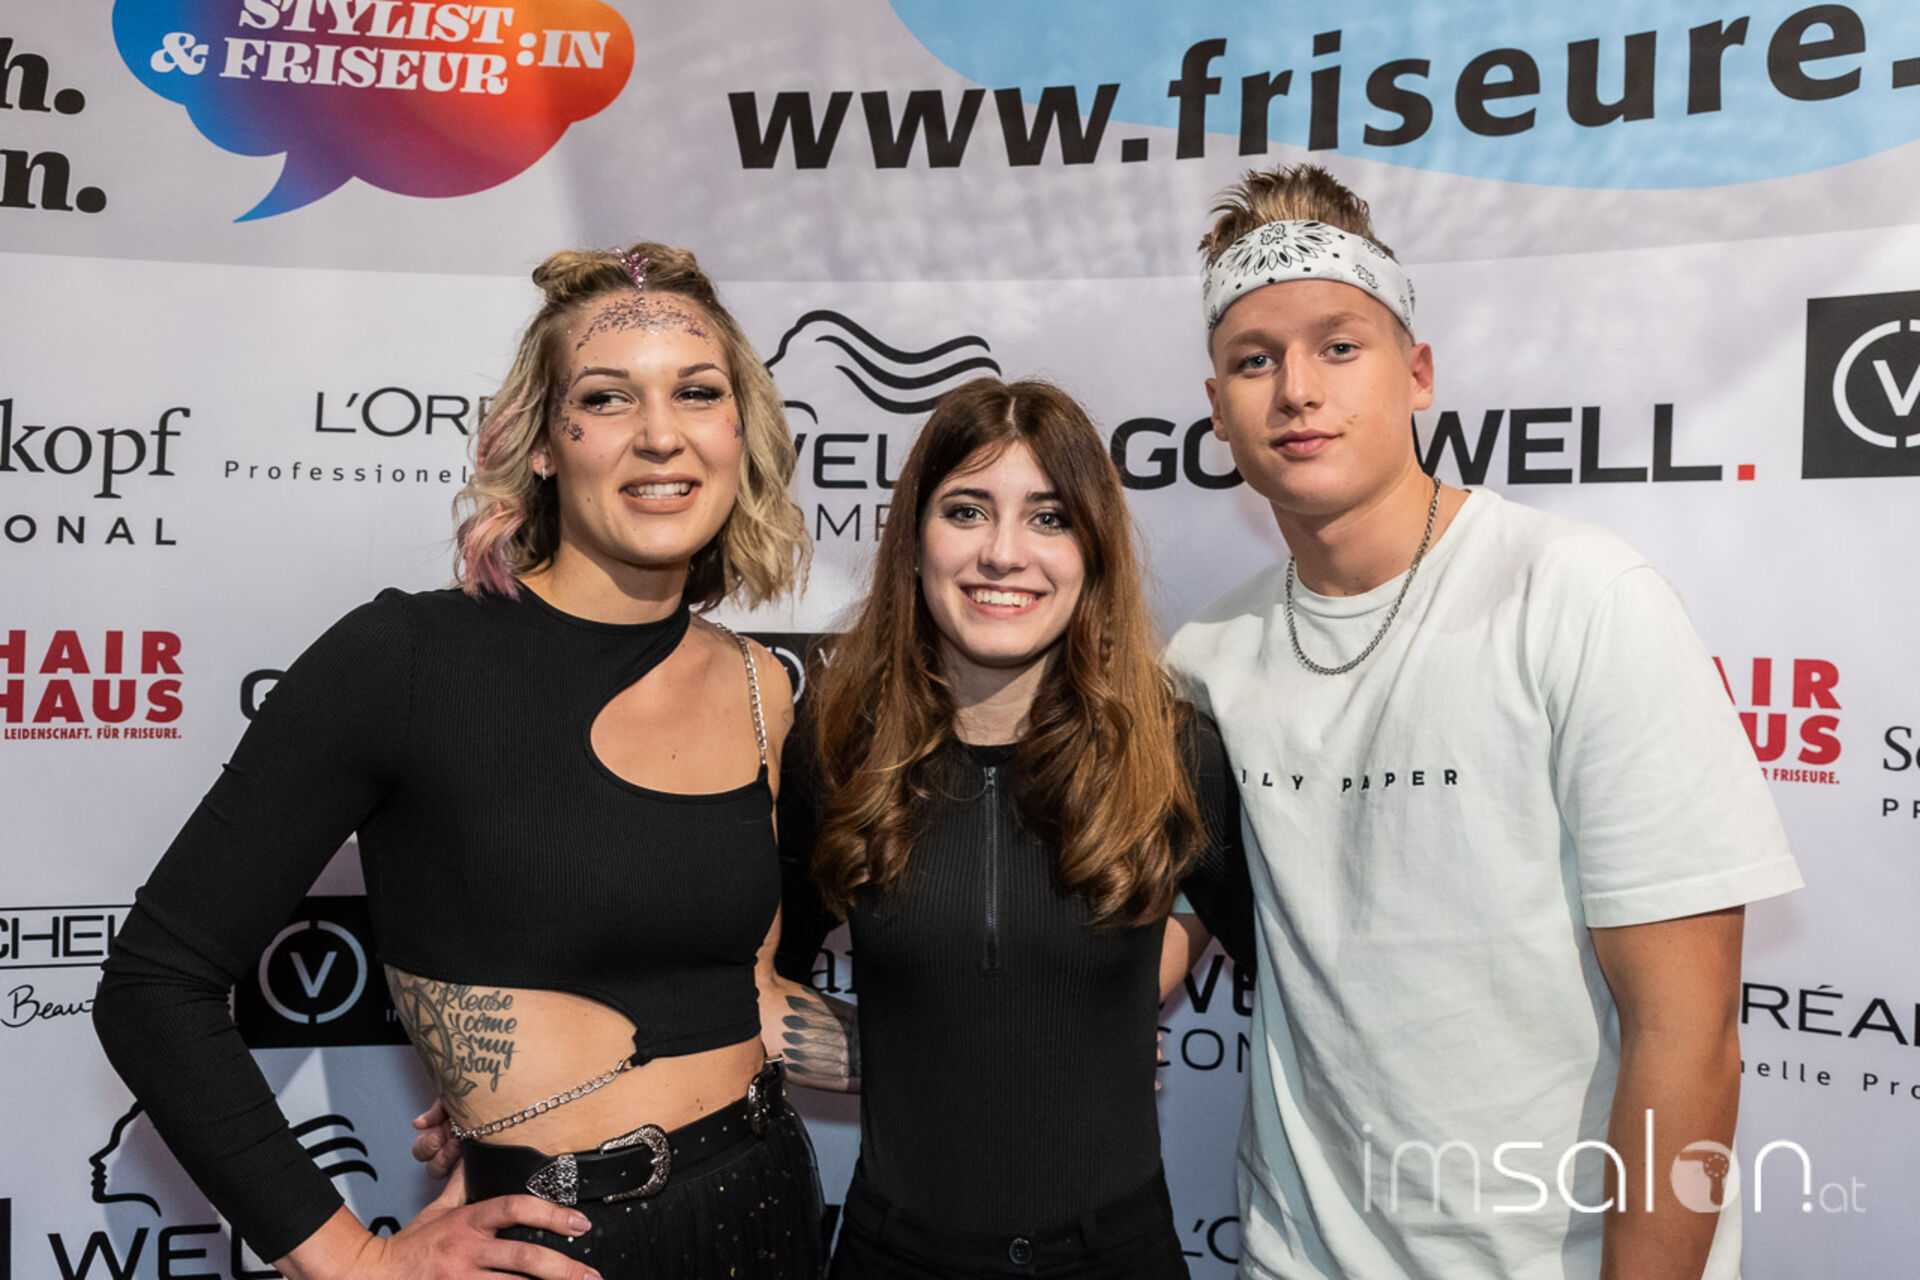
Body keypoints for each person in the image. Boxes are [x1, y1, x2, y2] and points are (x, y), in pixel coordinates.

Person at [93, 242, 825, 1279]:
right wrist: (354, 1261)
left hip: (770, 1198)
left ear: (739, 430)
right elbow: (153, 985)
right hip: (555, 1247)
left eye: (697, 392)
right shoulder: (404, 660)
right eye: (607, 398)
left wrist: (1018, 1053)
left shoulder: (760, 686)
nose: (662, 433)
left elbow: (756, 993)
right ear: (543, 443)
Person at [1162, 165, 1804, 1279]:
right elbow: (1121, 954)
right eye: (1255, 360)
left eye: (1338, 346)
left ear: (1417, 373)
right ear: (1218, 410)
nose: (1297, 390)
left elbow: (1689, 1035)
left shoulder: (1579, 599)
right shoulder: (1204, 659)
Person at [767, 377, 1256, 1278]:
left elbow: (1308, 979)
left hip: (1117, 1260)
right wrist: (921, 1056)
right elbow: (738, 981)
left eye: (1049, 518)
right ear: (914, 539)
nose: (1002, 553)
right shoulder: (836, 752)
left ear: (1093, 550)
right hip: (892, 1257)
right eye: (966, 511)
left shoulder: (1174, 755)